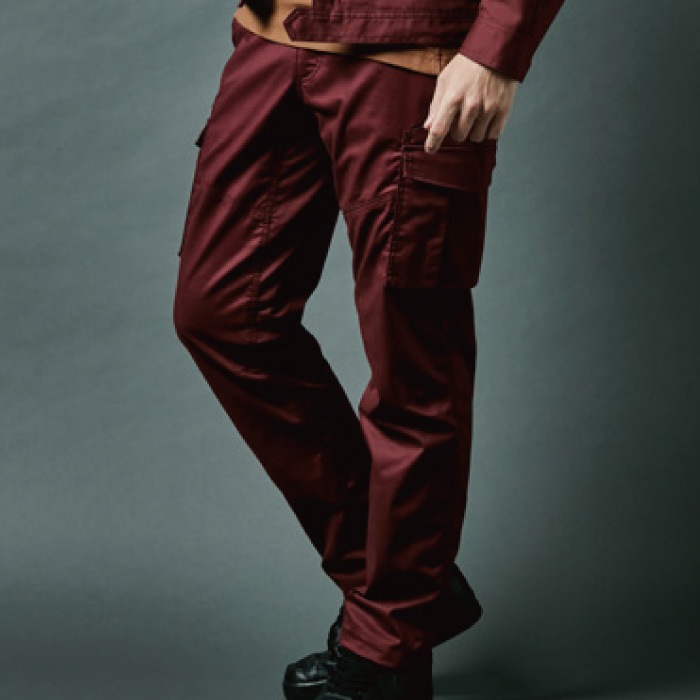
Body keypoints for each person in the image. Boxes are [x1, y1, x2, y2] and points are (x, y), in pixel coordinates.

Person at [172, 1, 565, 698]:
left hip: (409, 50)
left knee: (413, 368)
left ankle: (386, 648)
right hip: (278, 32)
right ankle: (408, 595)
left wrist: (494, 49)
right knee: (223, 315)